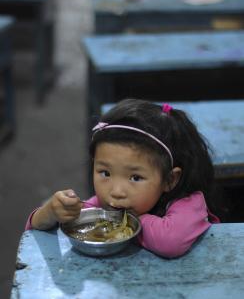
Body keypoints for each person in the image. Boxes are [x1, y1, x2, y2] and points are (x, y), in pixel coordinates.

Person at [25, 98, 220, 258]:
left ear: (170, 180)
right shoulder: (105, 205)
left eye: (135, 177)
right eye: (106, 173)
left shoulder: (189, 203)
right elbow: (36, 229)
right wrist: (51, 212)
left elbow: (171, 242)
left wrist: (128, 224)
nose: (116, 192)